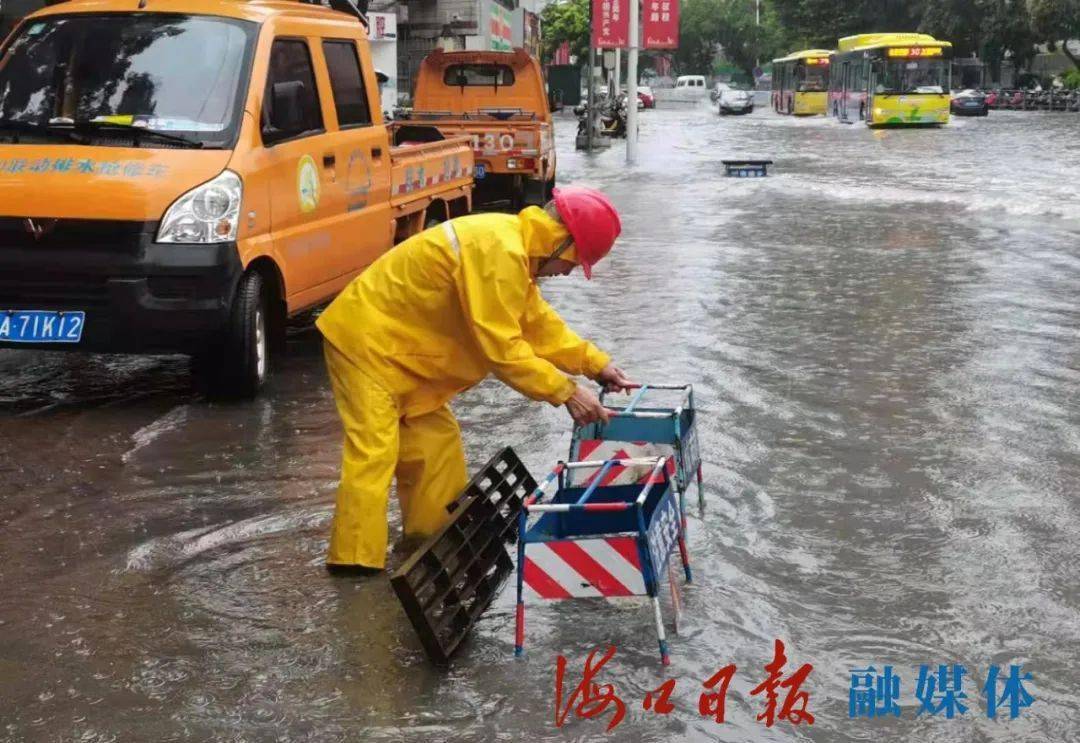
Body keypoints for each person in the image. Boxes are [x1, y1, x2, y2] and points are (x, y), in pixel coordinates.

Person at [316, 186, 634, 574]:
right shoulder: (499, 251)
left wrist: (595, 364)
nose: (568, 273)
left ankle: (428, 545)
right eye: (574, 262)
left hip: (404, 358)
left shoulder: (513, 251)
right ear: (561, 243)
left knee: (437, 448)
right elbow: (502, 347)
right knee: (375, 454)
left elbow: (536, 325)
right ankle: (355, 567)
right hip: (368, 345)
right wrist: (566, 392)